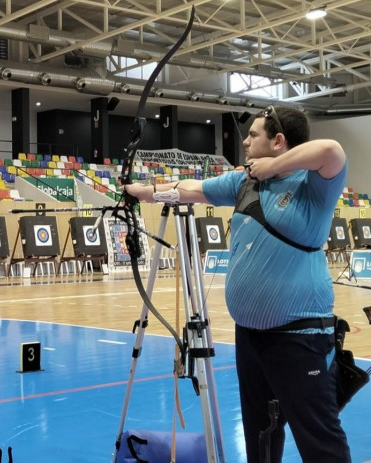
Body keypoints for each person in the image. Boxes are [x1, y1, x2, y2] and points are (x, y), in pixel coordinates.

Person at [125, 106, 350, 463]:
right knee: (260, 431)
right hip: (250, 335)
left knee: (318, 435)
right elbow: (191, 189)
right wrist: (144, 192)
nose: (245, 141)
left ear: (279, 142)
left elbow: (331, 151)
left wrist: (274, 168)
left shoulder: (313, 186)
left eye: (254, 135)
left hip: (300, 337)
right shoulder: (244, 181)